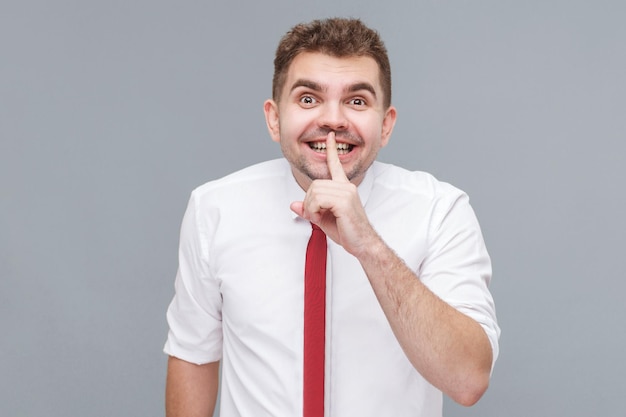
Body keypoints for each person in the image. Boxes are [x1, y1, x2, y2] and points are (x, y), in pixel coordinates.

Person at [164, 17, 499, 417]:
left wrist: (370, 247)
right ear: (274, 118)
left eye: (357, 101)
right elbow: (192, 354)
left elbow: (468, 380)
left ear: (386, 124)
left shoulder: (440, 211)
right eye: (308, 99)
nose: (333, 120)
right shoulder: (213, 209)